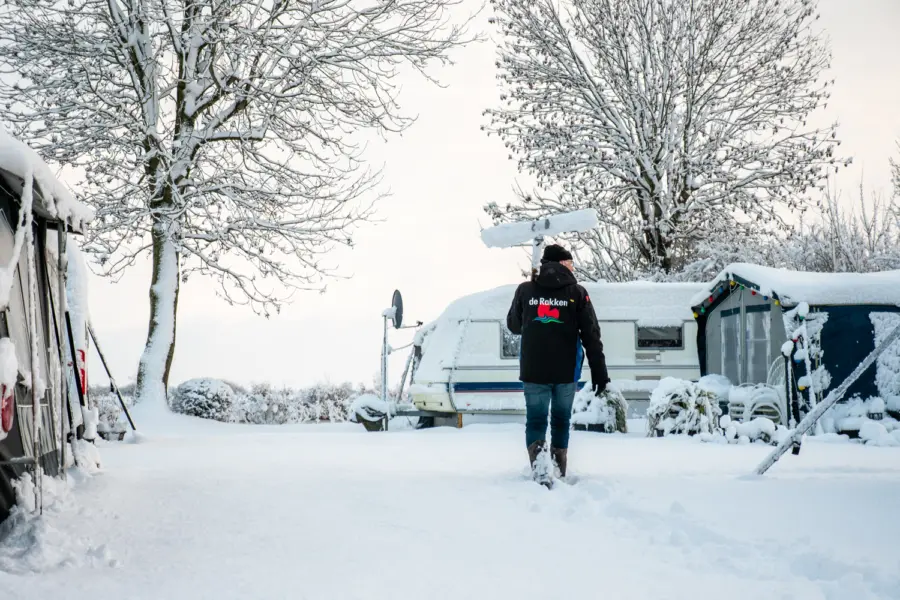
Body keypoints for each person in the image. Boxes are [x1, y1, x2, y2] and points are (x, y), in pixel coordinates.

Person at [506, 244, 609, 484]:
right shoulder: (578, 292)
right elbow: (591, 335)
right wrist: (600, 372)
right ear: (562, 263)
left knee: (536, 419)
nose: (572, 267)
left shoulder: (525, 290)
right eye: (570, 263)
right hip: (566, 371)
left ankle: (541, 469)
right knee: (561, 420)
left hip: (534, 370)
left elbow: (513, 325)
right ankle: (558, 469)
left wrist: (531, 306)